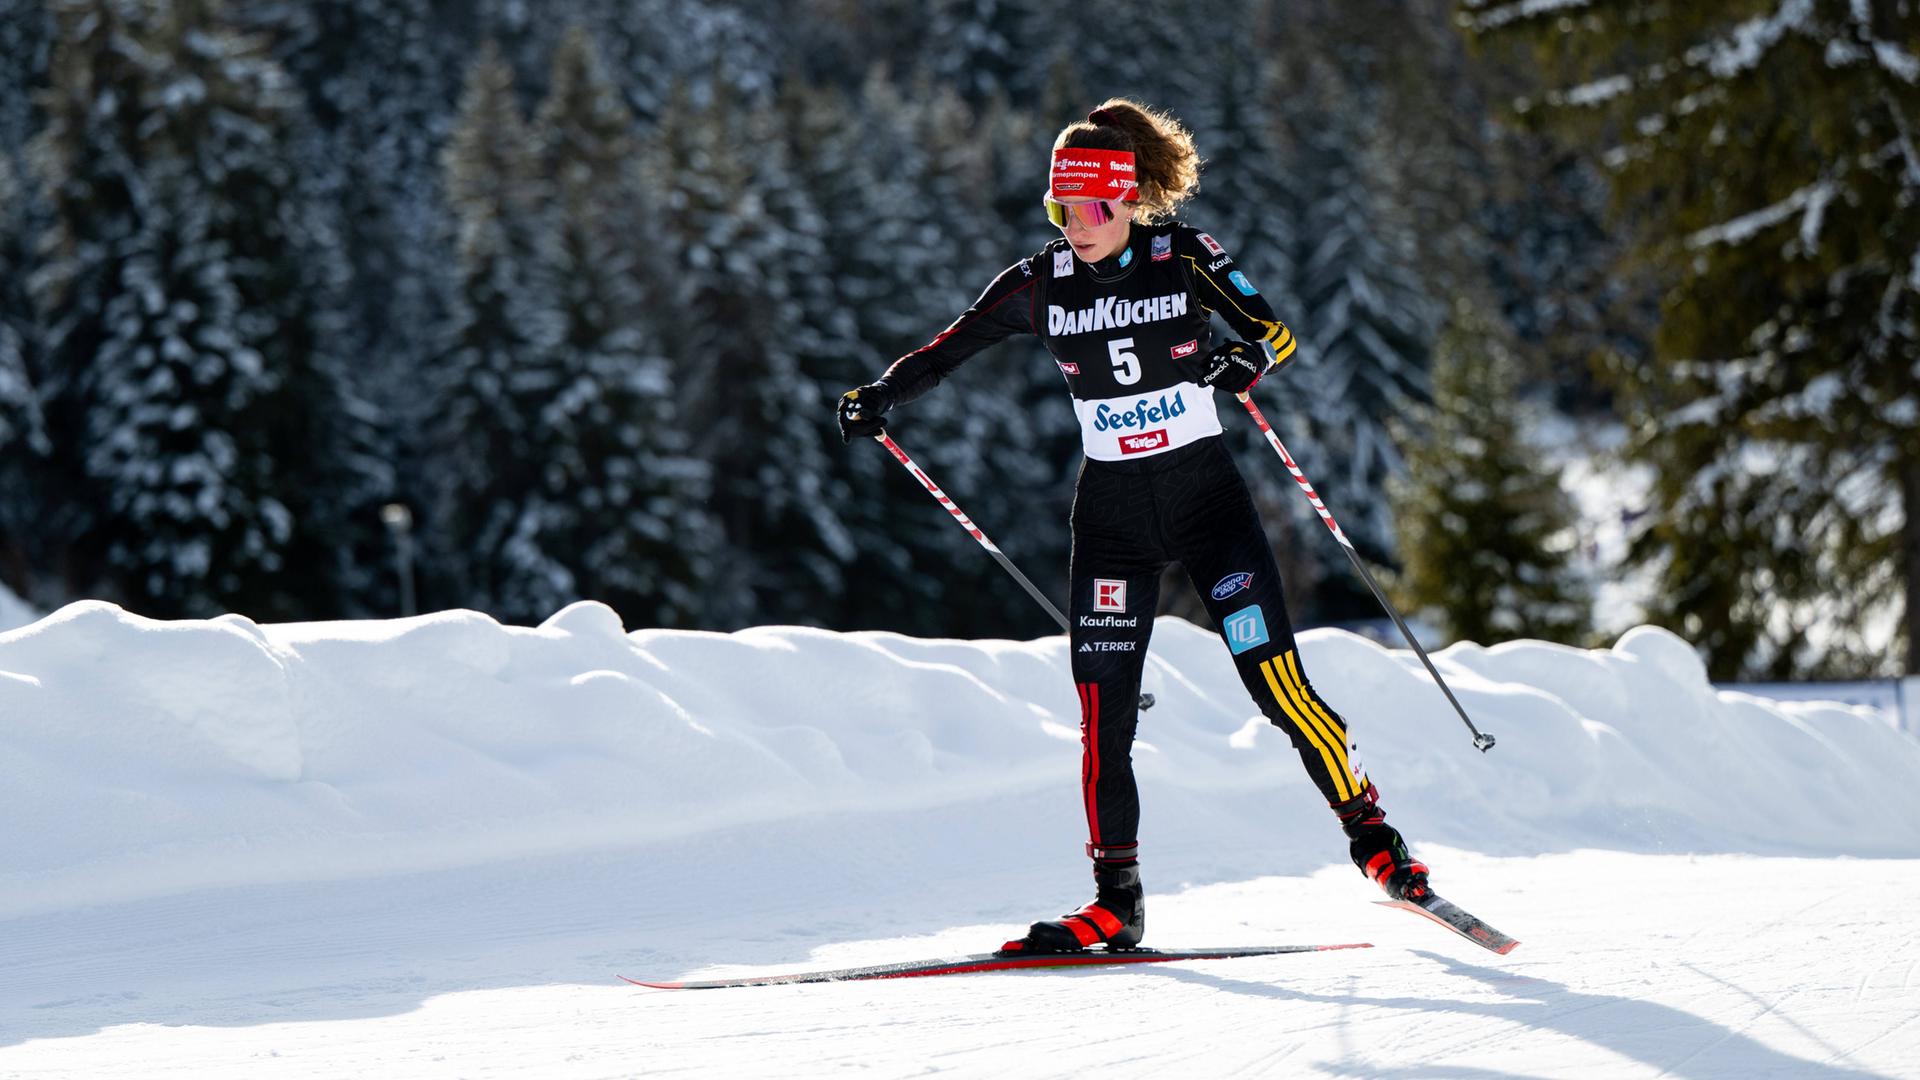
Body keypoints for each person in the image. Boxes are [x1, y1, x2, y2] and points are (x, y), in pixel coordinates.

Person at [836, 98, 1431, 955]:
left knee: (1275, 685)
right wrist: (881, 395)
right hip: (1113, 518)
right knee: (1103, 710)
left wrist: (1245, 358)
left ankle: (1377, 841)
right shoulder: (1037, 284)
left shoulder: (1181, 255)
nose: (1075, 226)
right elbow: (946, 349)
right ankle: (1116, 900)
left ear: (1125, 201)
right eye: (1060, 211)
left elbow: (1274, 332)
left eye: (1090, 210)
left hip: (1209, 509)